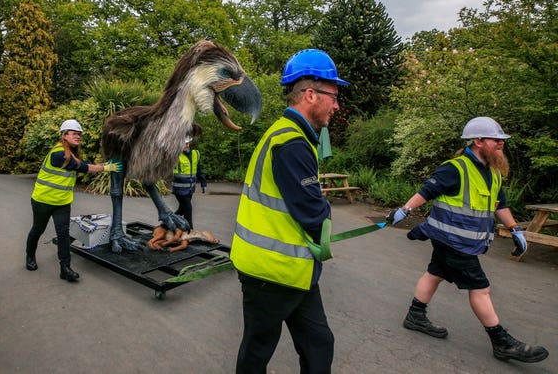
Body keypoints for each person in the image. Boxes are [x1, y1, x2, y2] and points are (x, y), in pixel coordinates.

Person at [388, 116, 549, 363]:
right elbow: (426, 191)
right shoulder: (455, 168)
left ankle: (415, 316)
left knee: (435, 272)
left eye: (501, 140)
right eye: (496, 139)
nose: (501, 144)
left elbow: (500, 205)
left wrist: (515, 229)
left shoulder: (492, 173)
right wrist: (404, 210)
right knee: (480, 288)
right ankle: (501, 341)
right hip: (453, 240)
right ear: (478, 141)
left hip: (462, 241)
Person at [230, 49, 349, 373]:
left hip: (289, 270)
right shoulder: (292, 142)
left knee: (318, 344)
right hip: (273, 272)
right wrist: (325, 213)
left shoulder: (290, 134)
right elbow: (312, 211)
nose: (337, 105)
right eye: (334, 96)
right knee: (258, 351)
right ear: (310, 94)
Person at [25, 119, 122, 282]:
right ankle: (30, 257)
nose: (78, 137)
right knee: (38, 229)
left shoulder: (72, 153)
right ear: (64, 136)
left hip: (62, 203)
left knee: (63, 234)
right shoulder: (58, 154)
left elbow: (81, 163)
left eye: (79, 134)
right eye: (74, 133)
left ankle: (65, 268)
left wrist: (104, 165)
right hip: (42, 201)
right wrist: (105, 167)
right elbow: (83, 167)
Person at [172, 134, 206, 229]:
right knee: (188, 209)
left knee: (182, 210)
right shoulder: (175, 155)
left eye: (187, 143)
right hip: (179, 189)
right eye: (184, 143)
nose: (186, 145)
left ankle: (167, 223)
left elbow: (199, 170)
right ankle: (190, 230)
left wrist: (203, 183)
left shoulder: (195, 154)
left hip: (190, 189)